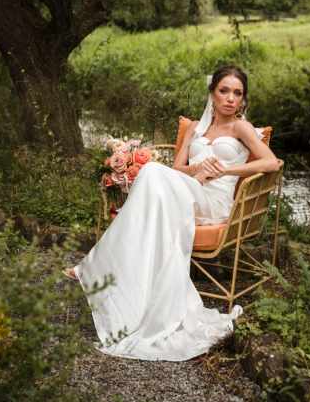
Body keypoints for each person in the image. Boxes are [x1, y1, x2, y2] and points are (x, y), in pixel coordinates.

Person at [64, 65, 280, 361]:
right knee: (155, 175)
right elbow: (178, 169)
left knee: (153, 171)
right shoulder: (195, 128)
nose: (230, 98)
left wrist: (226, 170)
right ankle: (125, 290)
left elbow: (271, 163)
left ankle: (92, 265)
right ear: (212, 93)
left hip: (213, 203)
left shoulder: (240, 127)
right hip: (189, 188)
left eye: (237, 93)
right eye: (224, 91)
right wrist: (198, 169)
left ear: (243, 100)